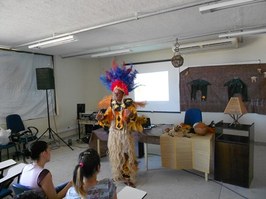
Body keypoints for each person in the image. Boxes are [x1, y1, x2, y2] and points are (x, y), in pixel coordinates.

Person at [96, 61, 146, 187]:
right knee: (116, 154)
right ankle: (118, 174)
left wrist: (129, 117)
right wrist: (101, 117)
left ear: (123, 93)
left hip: (125, 134)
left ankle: (129, 177)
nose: (116, 94)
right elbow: (107, 118)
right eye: (115, 92)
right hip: (114, 134)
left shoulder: (129, 105)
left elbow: (134, 120)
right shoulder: (111, 105)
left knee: (127, 155)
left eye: (119, 93)